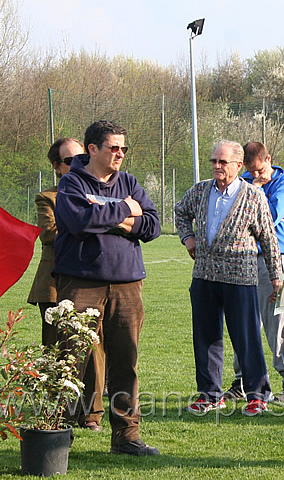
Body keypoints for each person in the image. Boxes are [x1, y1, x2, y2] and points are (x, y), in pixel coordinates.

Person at [53, 120, 161, 455]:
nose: (120, 154)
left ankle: (127, 437)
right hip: (82, 282)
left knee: (125, 360)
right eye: (113, 147)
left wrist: (106, 212)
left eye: (123, 148)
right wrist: (125, 210)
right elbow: (79, 222)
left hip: (127, 283)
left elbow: (152, 225)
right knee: (70, 360)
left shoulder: (128, 181)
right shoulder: (71, 183)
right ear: (92, 149)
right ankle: (55, 433)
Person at [175, 140, 282, 417]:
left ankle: (258, 394)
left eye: (222, 162)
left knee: (246, 338)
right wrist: (188, 238)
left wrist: (276, 277)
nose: (216, 166)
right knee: (206, 337)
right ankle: (210, 393)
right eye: (213, 161)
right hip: (204, 277)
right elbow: (180, 212)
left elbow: (269, 238)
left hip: (241, 278)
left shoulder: (253, 196)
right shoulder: (200, 191)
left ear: (238, 165)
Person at [28, 137, 107, 433]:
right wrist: (91, 219)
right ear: (57, 167)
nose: (77, 165)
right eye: (69, 161)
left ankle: (91, 415)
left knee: (95, 350)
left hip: (96, 280)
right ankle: (58, 412)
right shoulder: (47, 197)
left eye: (82, 158)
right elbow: (48, 234)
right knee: (57, 351)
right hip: (54, 285)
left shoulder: (100, 192)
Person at [224, 142, 284, 404]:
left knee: (283, 318)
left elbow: (267, 218)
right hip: (243, 257)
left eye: (259, 170)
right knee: (243, 321)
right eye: (250, 172)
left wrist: (256, 192)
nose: (255, 176)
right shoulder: (243, 181)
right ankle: (242, 381)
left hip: (278, 259)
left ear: (268, 160)